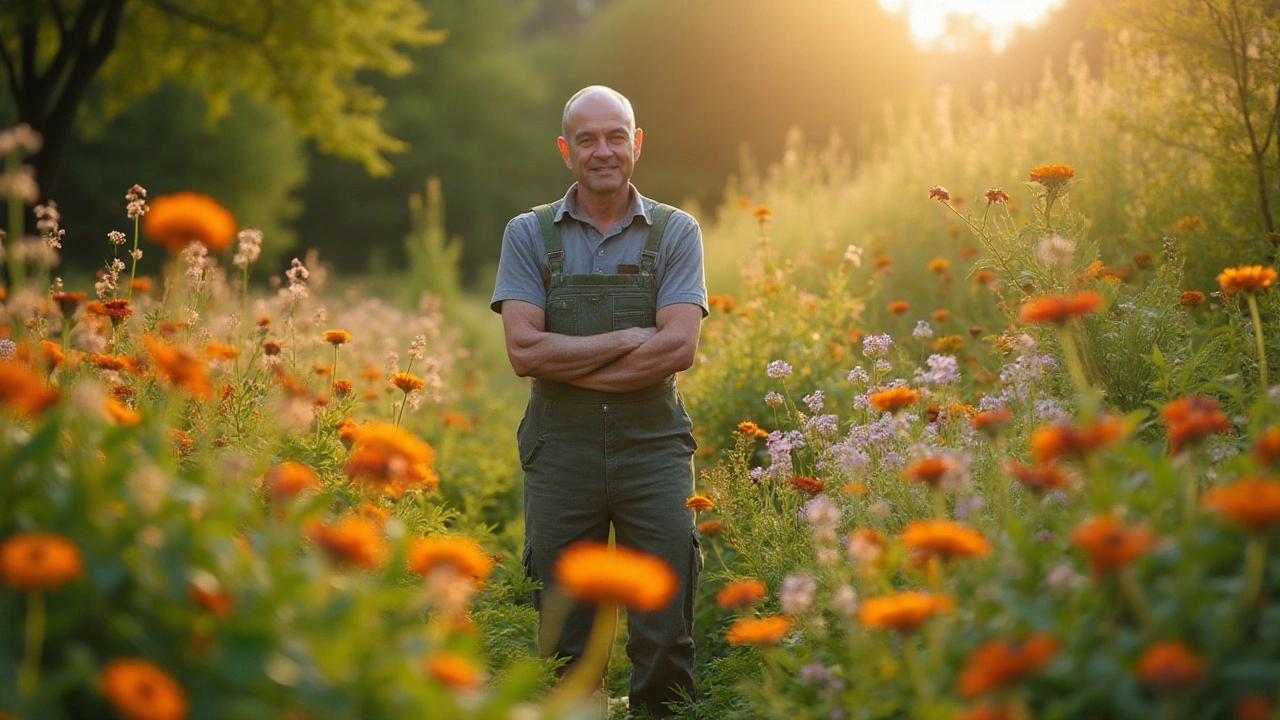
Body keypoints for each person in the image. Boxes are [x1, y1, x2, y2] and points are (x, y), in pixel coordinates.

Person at [490, 85, 706, 718]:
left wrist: (569, 361)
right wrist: (625, 339)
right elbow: (523, 352)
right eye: (587, 139)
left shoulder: (676, 231)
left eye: (615, 136)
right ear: (566, 151)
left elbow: (677, 349)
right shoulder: (528, 233)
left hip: (654, 447)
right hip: (561, 452)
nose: (602, 150)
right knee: (565, 639)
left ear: (636, 143)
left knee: (664, 631)